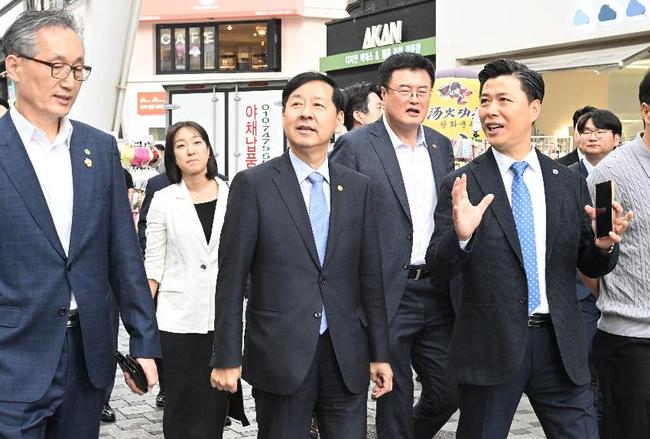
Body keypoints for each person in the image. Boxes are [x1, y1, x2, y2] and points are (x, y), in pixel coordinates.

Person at [426, 58, 633, 439]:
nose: (490, 111)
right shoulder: (462, 183)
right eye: (485, 101)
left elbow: (589, 263)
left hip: (559, 345)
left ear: (534, 108)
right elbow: (439, 268)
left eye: (503, 100)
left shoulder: (566, 183)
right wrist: (462, 237)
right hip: (491, 347)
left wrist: (603, 246)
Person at [0, 9, 160, 438]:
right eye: (56, 66)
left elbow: (123, 254)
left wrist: (144, 341)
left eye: (77, 69)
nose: (69, 81)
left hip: (87, 357)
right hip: (12, 360)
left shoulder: (99, 148)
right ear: (13, 65)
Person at [209, 71, 393, 439]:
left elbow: (370, 278)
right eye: (297, 104)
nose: (306, 113)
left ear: (338, 119)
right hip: (279, 352)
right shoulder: (253, 185)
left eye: (318, 105)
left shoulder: (359, 188)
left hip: (345, 352)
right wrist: (227, 356)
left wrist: (379, 353)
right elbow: (231, 278)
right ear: (283, 116)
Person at [331, 52, 458, 439]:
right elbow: (341, 223)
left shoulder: (440, 145)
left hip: (435, 288)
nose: (414, 99)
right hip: (385, 292)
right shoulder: (355, 146)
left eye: (423, 91)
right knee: (395, 396)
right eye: (404, 90)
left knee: (449, 389)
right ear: (384, 94)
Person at [144, 121, 247, 438]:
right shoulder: (163, 199)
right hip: (177, 321)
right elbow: (153, 265)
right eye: (181, 145)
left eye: (197, 142)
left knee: (214, 408)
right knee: (180, 405)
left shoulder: (235, 194)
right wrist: (141, 325)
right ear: (172, 157)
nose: (190, 150)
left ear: (208, 149)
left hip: (221, 320)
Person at [586, 70, 648, 439]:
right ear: (646, 111)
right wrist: (615, 301)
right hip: (631, 341)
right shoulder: (611, 173)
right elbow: (587, 256)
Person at [569, 108, 621, 424]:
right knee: (586, 371)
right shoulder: (564, 175)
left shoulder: (627, 174)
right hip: (582, 292)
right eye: (586, 131)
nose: (592, 136)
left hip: (623, 290)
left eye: (599, 131)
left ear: (616, 138)